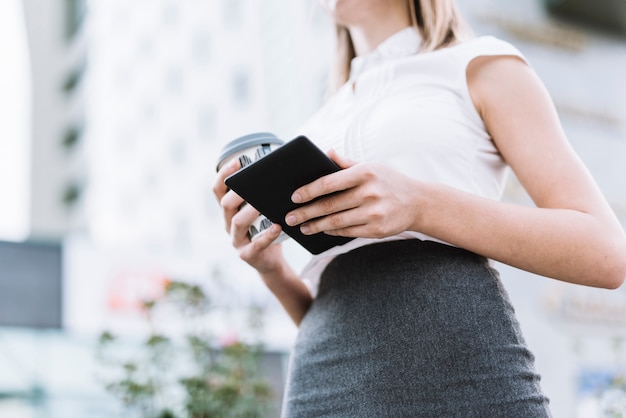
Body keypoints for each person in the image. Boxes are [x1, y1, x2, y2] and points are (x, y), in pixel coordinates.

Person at [213, 0, 626, 416]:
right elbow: (340, 310)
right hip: (320, 382)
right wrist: (273, 270)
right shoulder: (315, 124)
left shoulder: (480, 64)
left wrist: (419, 205)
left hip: (461, 372)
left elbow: (606, 254)